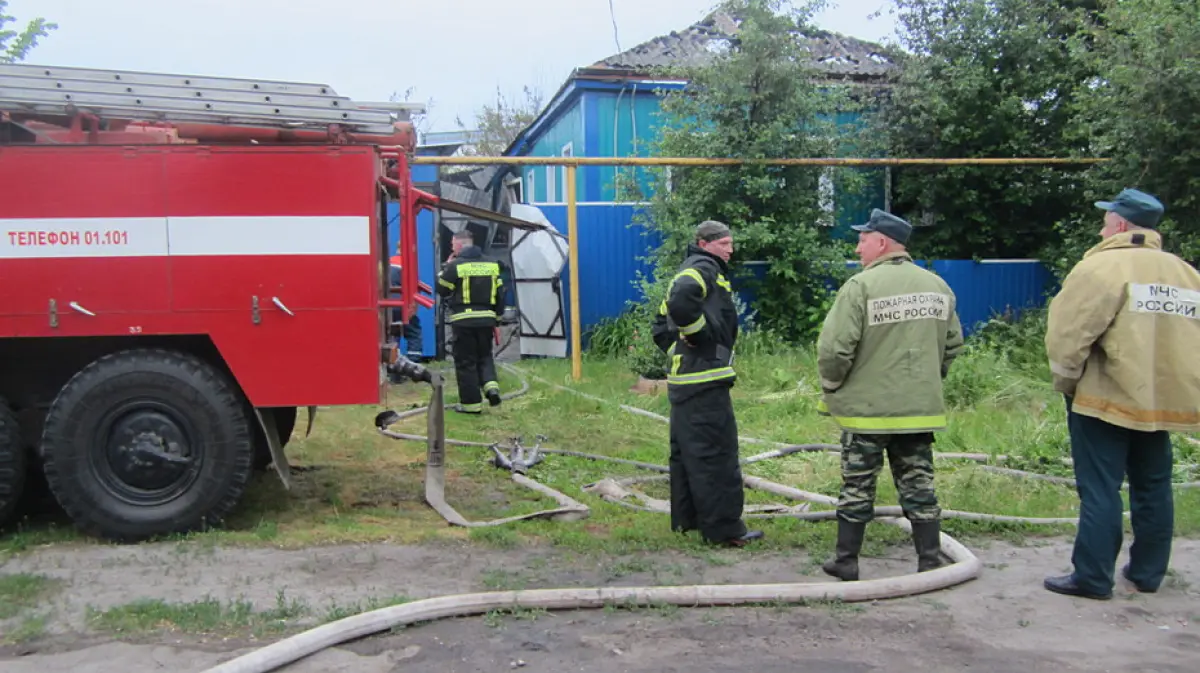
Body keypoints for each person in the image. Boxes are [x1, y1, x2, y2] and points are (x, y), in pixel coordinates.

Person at [1042, 188, 1200, 600]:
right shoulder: (1186, 273)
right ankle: (1148, 574)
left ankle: (1093, 577)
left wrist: (1068, 382)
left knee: (1100, 488)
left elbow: (1069, 334)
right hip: (1164, 401)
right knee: (1154, 485)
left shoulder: (1101, 268)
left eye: (1106, 219)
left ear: (1121, 225)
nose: (1101, 226)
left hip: (1104, 399)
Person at [816, 208, 964, 581]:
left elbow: (834, 350)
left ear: (881, 242)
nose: (858, 246)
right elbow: (953, 344)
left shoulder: (860, 287)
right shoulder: (937, 286)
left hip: (867, 413)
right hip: (918, 411)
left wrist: (833, 385)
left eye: (862, 239)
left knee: (857, 486)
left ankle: (846, 561)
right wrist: (929, 379)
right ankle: (930, 561)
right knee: (919, 486)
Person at [650, 220, 761, 548]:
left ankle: (690, 521)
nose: (730, 249)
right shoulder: (702, 268)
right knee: (717, 455)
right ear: (704, 243)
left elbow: (660, 326)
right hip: (705, 382)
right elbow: (681, 302)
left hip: (687, 381)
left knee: (688, 454)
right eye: (724, 243)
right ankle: (726, 531)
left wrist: (679, 352)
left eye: (731, 243)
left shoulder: (696, 268)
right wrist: (699, 339)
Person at [436, 229, 507, 414]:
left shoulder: (456, 266)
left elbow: (442, 289)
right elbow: (501, 295)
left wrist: (446, 268)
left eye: (452, 245)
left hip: (463, 321)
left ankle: (471, 405)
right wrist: (497, 320)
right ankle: (492, 388)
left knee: (466, 362)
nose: (451, 248)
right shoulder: (492, 264)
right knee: (484, 356)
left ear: (459, 245)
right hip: (486, 320)